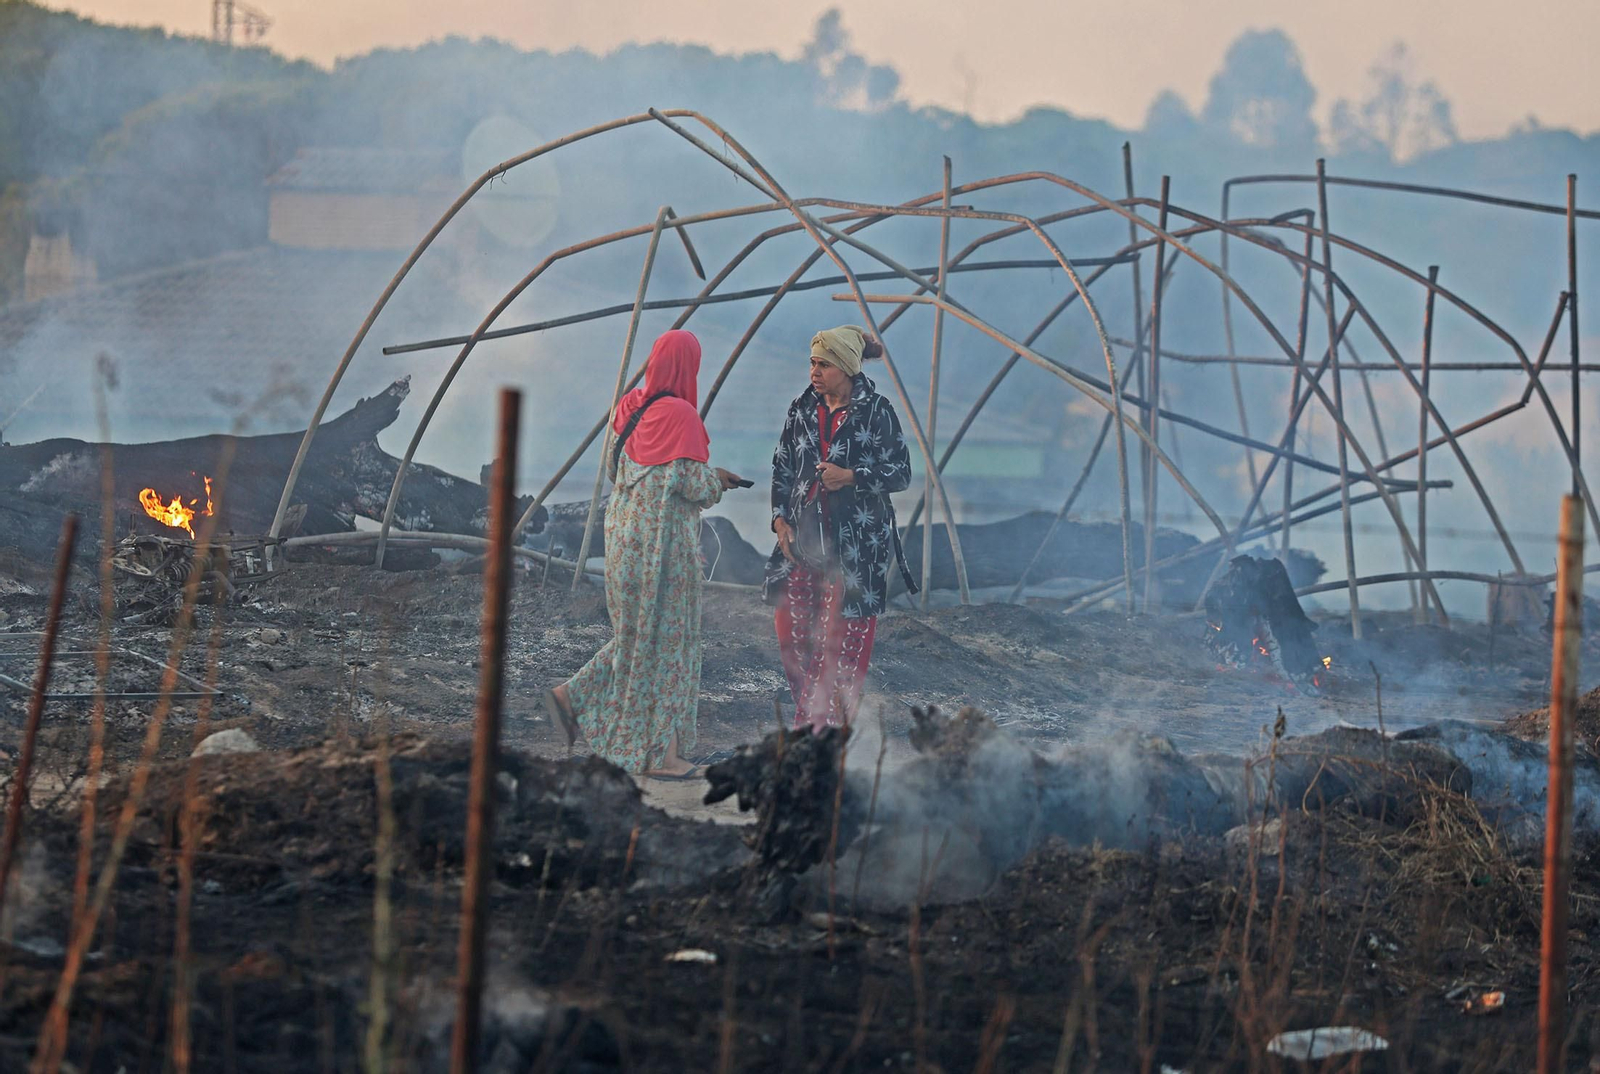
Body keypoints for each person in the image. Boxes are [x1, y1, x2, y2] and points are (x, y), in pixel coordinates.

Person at [544, 330, 744, 779]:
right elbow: (691, 484)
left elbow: (616, 469)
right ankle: (663, 757)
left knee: (637, 637)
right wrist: (718, 480)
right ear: (687, 367)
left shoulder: (629, 408)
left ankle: (570, 698)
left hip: (622, 541)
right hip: (662, 549)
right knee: (671, 646)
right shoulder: (682, 416)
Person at [767, 324, 917, 730]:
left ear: (847, 368)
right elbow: (782, 467)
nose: (814, 372)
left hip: (857, 547)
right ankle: (813, 716)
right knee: (791, 629)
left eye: (824, 364)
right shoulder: (801, 408)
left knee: (839, 637)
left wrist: (851, 476)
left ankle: (821, 730)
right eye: (812, 363)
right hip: (803, 539)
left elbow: (901, 473)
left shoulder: (877, 411)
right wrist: (779, 520)